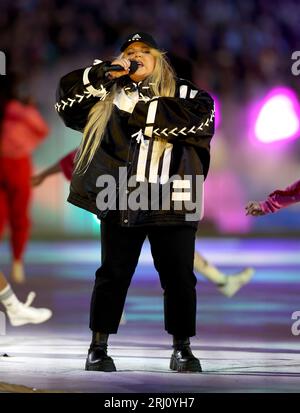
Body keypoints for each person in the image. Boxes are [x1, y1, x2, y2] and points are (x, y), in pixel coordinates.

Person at [56, 31, 215, 373]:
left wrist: (141, 106)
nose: (136, 55)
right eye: (130, 51)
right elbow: (65, 103)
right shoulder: (107, 97)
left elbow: (201, 122)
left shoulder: (189, 94)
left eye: (145, 50)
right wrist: (103, 74)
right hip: (120, 195)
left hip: (171, 198)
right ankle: (97, 348)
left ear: (160, 59)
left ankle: (182, 349)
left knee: (179, 278)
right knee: (112, 274)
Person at [33, 149, 254, 298]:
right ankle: (222, 281)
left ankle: (222, 281)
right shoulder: (111, 131)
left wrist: (44, 175)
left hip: (143, 197)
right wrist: (43, 174)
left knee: (173, 248)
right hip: (126, 201)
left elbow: (74, 156)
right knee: (119, 258)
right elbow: (76, 156)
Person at [0, 75, 49, 284]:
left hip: (18, 164)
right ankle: (17, 260)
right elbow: (41, 131)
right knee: (9, 216)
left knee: (18, 217)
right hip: (11, 163)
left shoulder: (19, 109)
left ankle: (17, 260)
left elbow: (41, 131)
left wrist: (25, 145)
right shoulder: (20, 109)